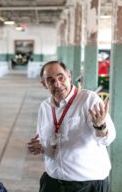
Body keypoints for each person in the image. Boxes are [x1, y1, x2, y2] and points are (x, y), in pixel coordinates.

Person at [27, 61, 116, 192]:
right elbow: (43, 138)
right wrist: (40, 146)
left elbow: (107, 139)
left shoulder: (88, 99)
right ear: (44, 84)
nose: (57, 84)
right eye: (50, 80)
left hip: (87, 184)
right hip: (53, 182)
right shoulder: (45, 107)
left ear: (69, 76)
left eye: (60, 77)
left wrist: (100, 126)